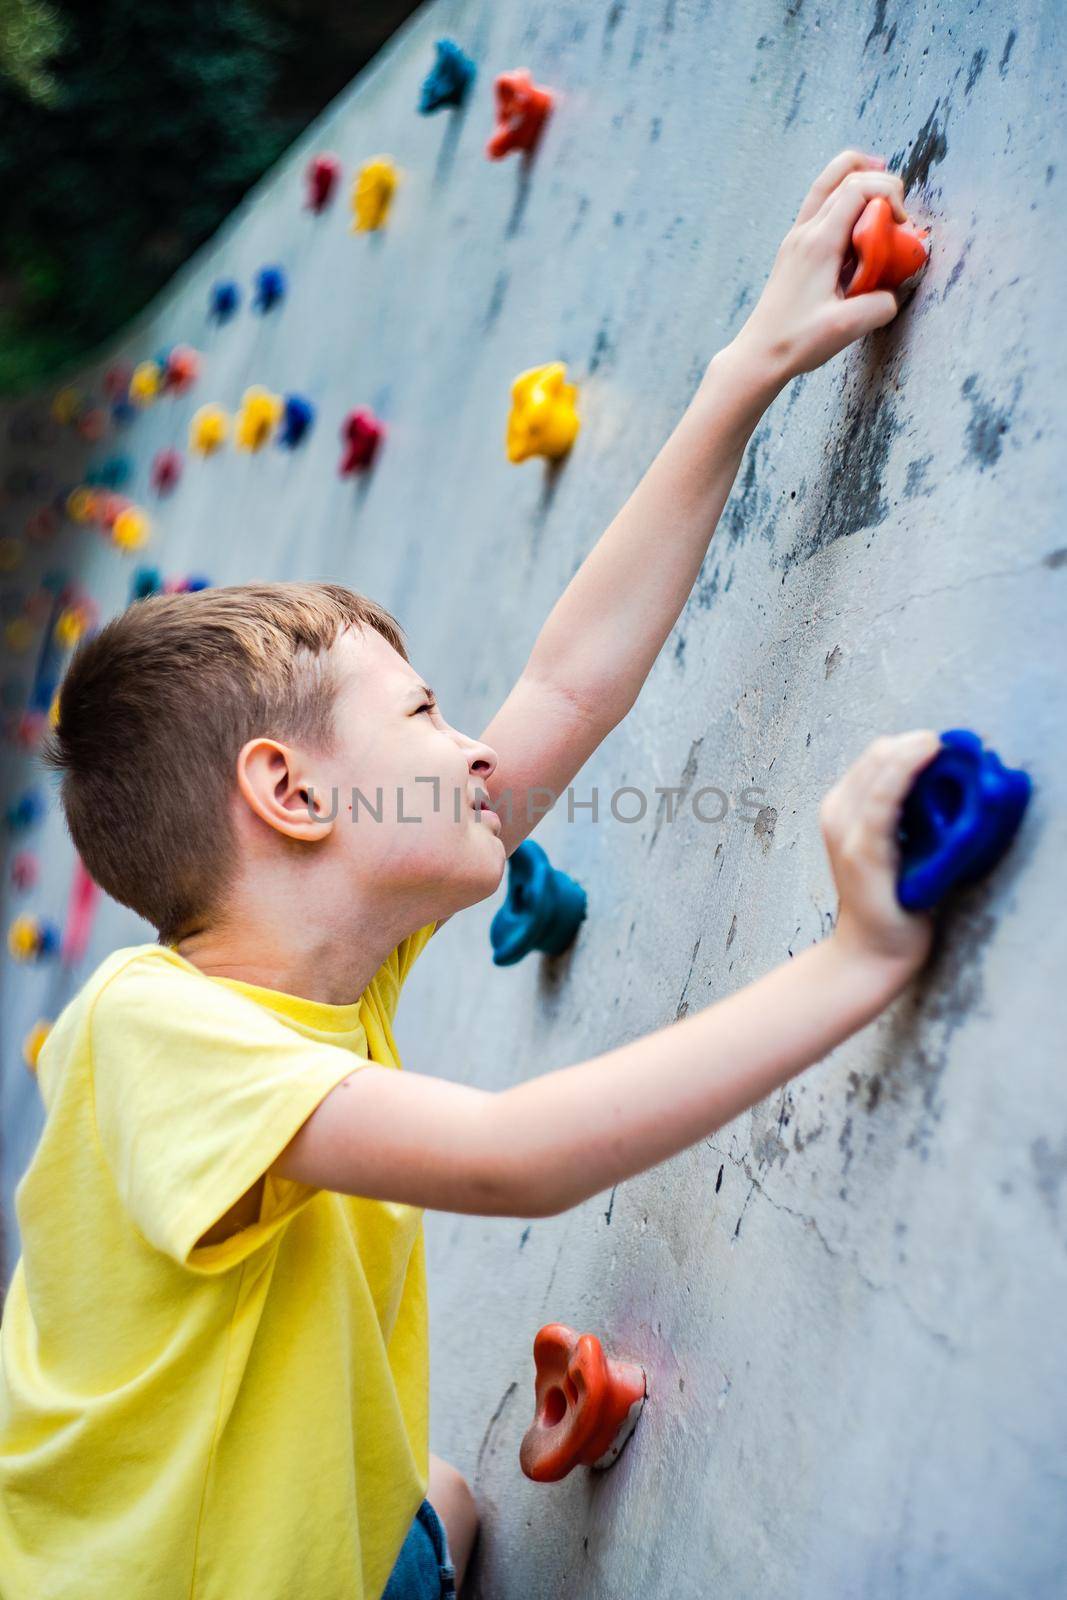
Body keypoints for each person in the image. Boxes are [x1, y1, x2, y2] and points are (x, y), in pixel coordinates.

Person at [0, 152, 935, 1600]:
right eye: (425, 716)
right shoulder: (151, 1032)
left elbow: (568, 685)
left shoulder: (320, 953)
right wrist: (855, 962)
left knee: (437, 1499)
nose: (468, 742)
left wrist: (748, 369)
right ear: (296, 795)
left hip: (318, 1548)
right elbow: (513, 1159)